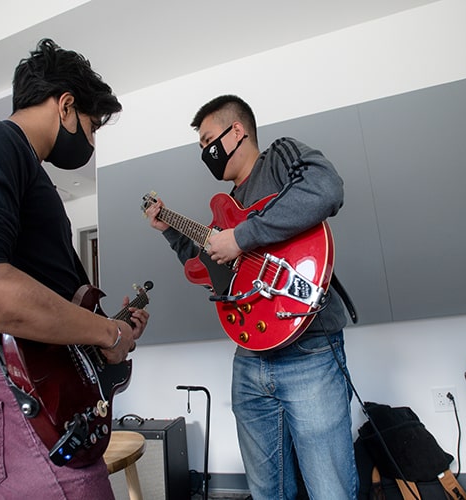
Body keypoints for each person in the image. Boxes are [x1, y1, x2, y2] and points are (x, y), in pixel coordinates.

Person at [0, 39, 148, 498]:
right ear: (66, 106)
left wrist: (109, 330)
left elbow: (47, 297)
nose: (90, 143)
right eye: (91, 127)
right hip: (10, 385)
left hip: (34, 380)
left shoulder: (32, 174)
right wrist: (107, 335)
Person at [145, 95, 358, 499]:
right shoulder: (224, 210)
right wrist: (169, 229)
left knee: (330, 489)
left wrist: (241, 238)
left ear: (237, 131)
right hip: (249, 357)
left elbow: (326, 189)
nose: (205, 153)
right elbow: (200, 264)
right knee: (266, 490)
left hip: (310, 349)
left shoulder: (281, 157)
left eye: (209, 140)